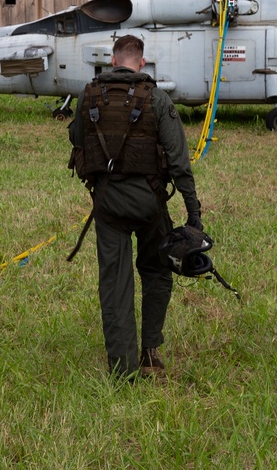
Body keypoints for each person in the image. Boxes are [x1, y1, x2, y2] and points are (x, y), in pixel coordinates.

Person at [68, 35, 203, 381]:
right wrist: (193, 215)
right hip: (151, 203)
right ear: (141, 63)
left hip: (107, 203)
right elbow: (179, 163)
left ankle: (122, 368)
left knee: (114, 283)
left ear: (113, 61)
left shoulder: (88, 95)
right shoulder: (157, 99)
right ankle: (150, 353)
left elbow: (76, 139)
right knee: (157, 272)